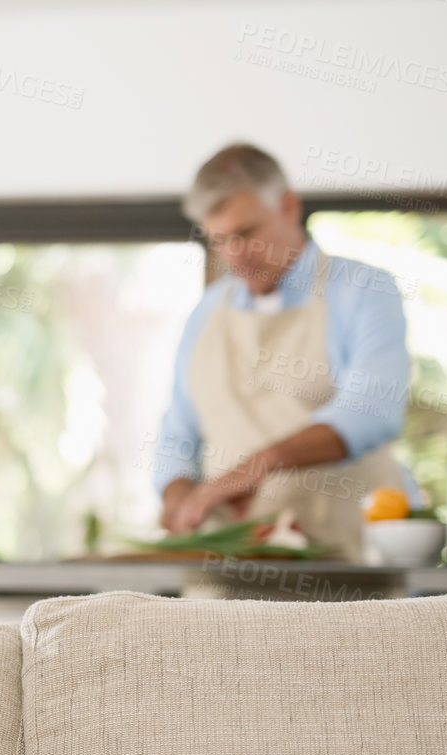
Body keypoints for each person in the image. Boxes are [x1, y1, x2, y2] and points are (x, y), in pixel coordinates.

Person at [152, 143, 421, 560]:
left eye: (246, 233)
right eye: (219, 240)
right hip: (226, 575)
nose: (233, 256)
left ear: (289, 207)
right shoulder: (206, 312)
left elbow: (372, 409)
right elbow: (176, 435)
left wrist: (257, 467)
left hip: (342, 571)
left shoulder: (364, 292)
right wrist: (180, 498)